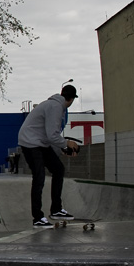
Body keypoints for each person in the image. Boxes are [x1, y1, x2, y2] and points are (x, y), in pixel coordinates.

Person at [18, 85, 81, 227]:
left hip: (41, 143)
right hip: (31, 143)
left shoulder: (54, 105)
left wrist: (63, 148)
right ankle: (38, 218)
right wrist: (67, 143)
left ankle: (56, 210)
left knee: (58, 169)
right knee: (39, 177)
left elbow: (49, 135)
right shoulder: (56, 107)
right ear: (71, 99)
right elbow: (53, 135)